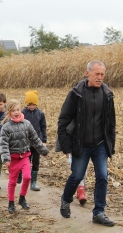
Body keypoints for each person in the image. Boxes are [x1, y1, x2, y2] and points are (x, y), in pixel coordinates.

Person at [58, 60, 116, 227]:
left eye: (102, 74)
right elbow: (64, 120)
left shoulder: (107, 94)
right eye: (97, 74)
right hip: (80, 144)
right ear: (87, 73)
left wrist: (110, 144)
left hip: (100, 144)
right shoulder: (76, 93)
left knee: (103, 177)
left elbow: (111, 122)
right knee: (76, 176)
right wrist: (66, 146)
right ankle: (66, 199)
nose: (100, 77)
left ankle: (99, 212)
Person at [0, 99, 49, 214]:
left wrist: (44, 151)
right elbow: (3, 144)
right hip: (13, 159)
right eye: (13, 110)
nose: (16, 112)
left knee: (27, 177)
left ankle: (22, 198)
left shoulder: (27, 124)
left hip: (25, 156)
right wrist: (6, 158)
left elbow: (35, 139)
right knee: (12, 181)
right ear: (9, 113)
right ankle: (11, 202)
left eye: (18, 109)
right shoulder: (6, 127)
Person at [20, 90, 47, 191]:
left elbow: (43, 127)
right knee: (26, 161)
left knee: (36, 162)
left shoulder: (40, 114)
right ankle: (22, 176)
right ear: (27, 104)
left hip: (37, 142)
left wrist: (44, 140)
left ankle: (34, 182)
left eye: (33, 104)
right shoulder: (22, 113)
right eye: (30, 104)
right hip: (26, 143)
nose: (31, 106)